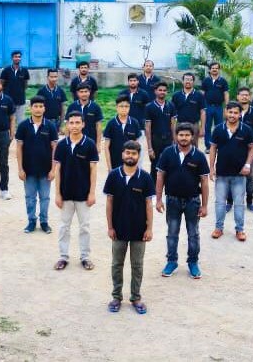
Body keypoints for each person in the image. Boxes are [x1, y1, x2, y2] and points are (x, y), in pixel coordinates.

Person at [104, 140, 154, 315]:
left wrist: (149, 228)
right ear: (122, 154)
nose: (130, 156)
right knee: (117, 264)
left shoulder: (145, 177)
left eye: (133, 153)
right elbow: (109, 203)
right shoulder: (113, 176)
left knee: (137, 265)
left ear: (138, 156)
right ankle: (116, 297)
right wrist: (110, 227)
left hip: (139, 230)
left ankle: (136, 298)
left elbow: (148, 205)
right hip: (118, 229)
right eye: (127, 153)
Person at [156, 123, 209, 278]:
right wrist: (158, 200)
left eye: (187, 135)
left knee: (193, 234)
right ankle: (171, 262)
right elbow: (160, 176)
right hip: (172, 200)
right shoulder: (167, 153)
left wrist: (204, 205)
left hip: (193, 201)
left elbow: (204, 182)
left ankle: (193, 262)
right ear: (176, 136)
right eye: (181, 135)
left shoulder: (199, 156)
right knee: (172, 233)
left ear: (192, 137)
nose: (184, 138)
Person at [53, 111, 99, 271]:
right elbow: (58, 170)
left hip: (83, 194)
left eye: (77, 122)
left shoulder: (90, 144)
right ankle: (63, 257)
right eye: (71, 123)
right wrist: (57, 194)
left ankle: (85, 257)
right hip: (65, 194)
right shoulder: (61, 145)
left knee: (84, 227)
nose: (74, 126)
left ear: (83, 124)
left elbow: (93, 170)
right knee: (64, 227)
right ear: (67, 125)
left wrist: (92, 193)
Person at [209, 102, 253, 242]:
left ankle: (240, 230)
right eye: (230, 112)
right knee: (220, 202)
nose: (232, 115)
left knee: (239, 203)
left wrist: (247, 165)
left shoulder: (246, 130)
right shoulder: (218, 129)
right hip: (222, 173)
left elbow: (252, 148)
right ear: (225, 112)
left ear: (240, 114)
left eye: (236, 113)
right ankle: (218, 228)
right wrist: (211, 168)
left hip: (239, 174)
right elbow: (213, 148)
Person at [16, 95, 58, 234]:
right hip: (28, 170)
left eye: (41, 106)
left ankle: (44, 222)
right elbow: (19, 148)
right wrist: (20, 169)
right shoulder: (23, 126)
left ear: (44, 108)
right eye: (35, 106)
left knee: (45, 197)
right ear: (30, 108)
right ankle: (31, 221)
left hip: (46, 170)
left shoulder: (50, 126)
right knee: (30, 197)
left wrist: (53, 169)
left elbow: (54, 148)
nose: (38, 109)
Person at [226, 87, 253, 213]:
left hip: (249, 149)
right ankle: (229, 202)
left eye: (246, 95)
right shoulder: (232, 111)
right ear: (238, 96)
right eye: (242, 95)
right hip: (232, 148)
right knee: (231, 175)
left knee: (248, 175)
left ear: (249, 96)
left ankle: (250, 202)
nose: (244, 97)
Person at [145, 81, 176, 184]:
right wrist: (150, 148)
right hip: (156, 140)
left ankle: (168, 188)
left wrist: (175, 142)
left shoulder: (171, 106)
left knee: (169, 164)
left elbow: (173, 125)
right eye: (160, 90)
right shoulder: (149, 107)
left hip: (168, 139)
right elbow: (148, 128)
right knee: (155, 165)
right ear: (155, 91)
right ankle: (153, 190)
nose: (162, 92)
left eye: (164, 90)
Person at [103, 95, 142, 170]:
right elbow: (106, 147)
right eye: (121, 106)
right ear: (117, 107)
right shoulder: (111, 123)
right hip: (114, 163)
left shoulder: (134, 123)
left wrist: (135, 165)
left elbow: (137, 147)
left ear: (129, 107)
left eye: (126, 106)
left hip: (130, 163)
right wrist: (109, 168)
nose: (124, 109)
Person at [119, 73, 150, 166]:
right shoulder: (122, 93)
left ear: (138, 82)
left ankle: (138, 169)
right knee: (124, 149)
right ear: (128, 82)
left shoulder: (144, 94)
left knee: (138, 149)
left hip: (139, 127)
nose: (133, 82)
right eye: (131, 81)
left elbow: (147, 110)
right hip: (124, 125)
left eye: (134, 80)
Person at [201, 62, 229, 153]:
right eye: (213, 68)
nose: (214, 70)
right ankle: (208, 146)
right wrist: (201, 106)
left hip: (219, 107)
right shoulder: (206, 81)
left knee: (219, 127)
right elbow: (202, 93)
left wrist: (227, 107)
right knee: (207, 126)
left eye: (216, 68)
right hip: (207, 107)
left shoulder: (223, 81)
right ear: (210, 70)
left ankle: (219, 145)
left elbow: (226, 94)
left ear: (219, 70)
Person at [172, 72, 206, 146]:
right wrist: (172, 127)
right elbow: (172, 113)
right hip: (179, 124)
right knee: (179, 146)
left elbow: (203, 112)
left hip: (194, 125)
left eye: (190, 80)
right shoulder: (176, 95)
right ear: (183, 81)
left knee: (194, 146)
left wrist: (202, 128)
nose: (188, 81)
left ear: (193, 82)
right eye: (186, 79)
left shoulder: (199, 95)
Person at [66, 84, 103, 151]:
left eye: (86, 91)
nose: (84, 94)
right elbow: (67, 125)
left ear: (89, 92)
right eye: (81, 92)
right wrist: (67, 142)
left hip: (91, 141)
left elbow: (99, 126)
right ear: (77, 93)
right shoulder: (72, 106)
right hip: (74, 141)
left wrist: (98, 144)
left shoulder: (96, 107)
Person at [0, 50, 30, 126]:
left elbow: (25, 85)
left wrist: (20, 92)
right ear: (12, 58)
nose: (17, 58)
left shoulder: (24, 70)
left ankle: (19, 134)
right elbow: (1, 84)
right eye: (15, 57)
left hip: (20, 100)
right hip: (8, 100)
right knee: (8, 122)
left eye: (19, 57)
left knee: (20, 122)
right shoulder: (6, 70)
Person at [37, 68, 68, 133]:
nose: (54, 79)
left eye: (55, 77)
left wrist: (61, 125)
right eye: (51, 77)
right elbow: (37, 108)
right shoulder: (41, 91)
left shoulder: (61, 91)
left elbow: (63, 109)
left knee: (55, 139)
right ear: (47, 77)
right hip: (44, 121)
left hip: (56, 122)